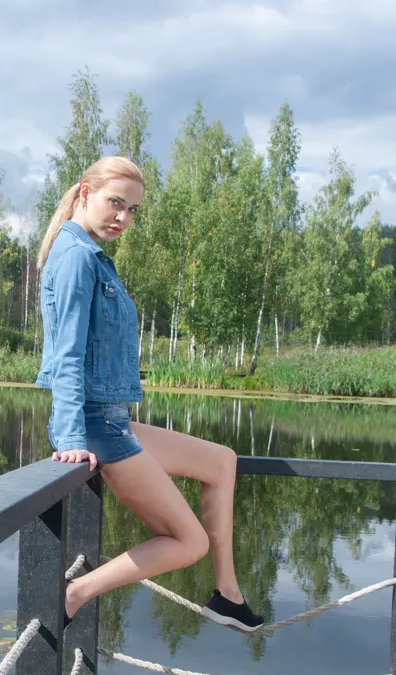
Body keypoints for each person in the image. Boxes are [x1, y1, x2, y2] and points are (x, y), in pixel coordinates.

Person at [35, 155, 264, 632]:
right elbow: (67, 355)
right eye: (115, 203)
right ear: (85, 193)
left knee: (222, 461)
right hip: (95, 425)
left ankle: (228, 595)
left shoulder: (92, 255)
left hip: (111, 418)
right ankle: (75, 593)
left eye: (133, 210)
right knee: (190, 542)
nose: (123, 217)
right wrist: (71, 438)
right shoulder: (77, 257)